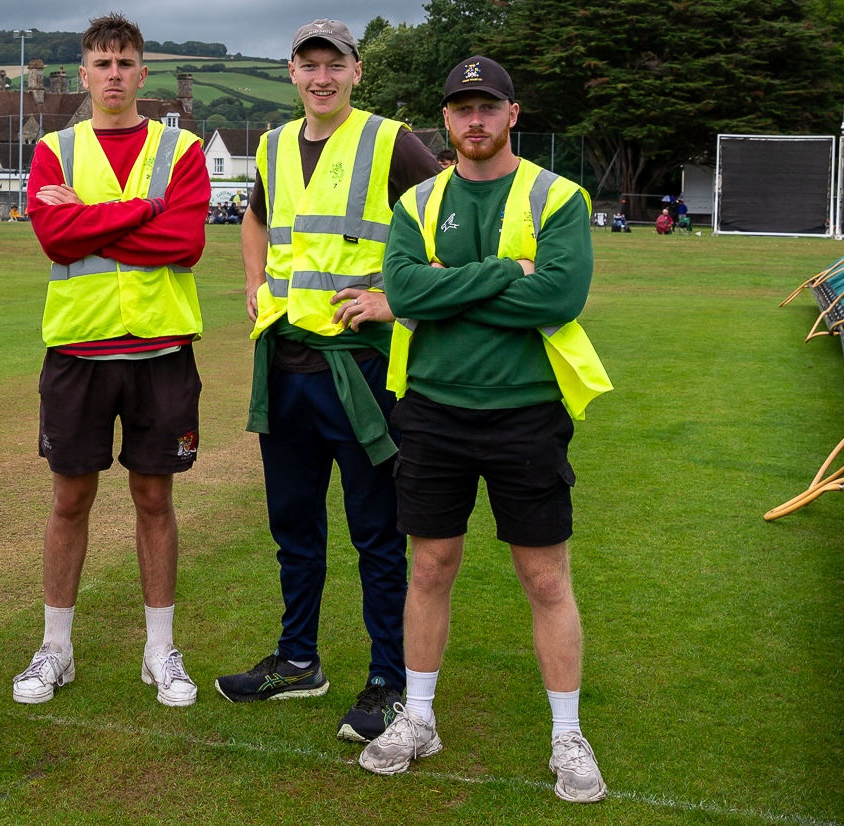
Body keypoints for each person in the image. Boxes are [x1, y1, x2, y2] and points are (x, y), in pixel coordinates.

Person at [333, 55, 613, 803]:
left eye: (488, 107)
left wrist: (435, 292)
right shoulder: (420, 201)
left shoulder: (558, 197)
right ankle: (418, 718)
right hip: (431, 409)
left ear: (512, 115)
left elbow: (558, 299)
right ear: (446, 120)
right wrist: (503, 273)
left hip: (526, 412)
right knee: (430, 567)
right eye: (461, 109)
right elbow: (403, 287)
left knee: (545, 575)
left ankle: (567, 735)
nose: (474, 120)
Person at [224, 18, 442, 744]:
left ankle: (389, 679)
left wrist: (398, 296)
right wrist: (254, 280)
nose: (321, 78)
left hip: (362, 371)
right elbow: (255, 218)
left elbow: (456, 214)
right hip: (284, 368)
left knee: (377, 532)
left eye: (334, 65)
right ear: (291, 71)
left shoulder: (390, 140)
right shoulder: (274, 144)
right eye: (308, 65)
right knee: (294, 528)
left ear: (356, 71)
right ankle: (298, 660)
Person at [14, 13, 211, 709]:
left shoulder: (180, 148)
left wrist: (96, 218)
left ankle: (161, 651)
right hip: (79, 349)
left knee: (155, 498)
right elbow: (55, 242)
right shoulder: (55, 149)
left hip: (161, 349)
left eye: (126, 62)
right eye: (102, 63)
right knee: (70, 500)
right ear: (85, 71)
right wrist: (143, 212)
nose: (115, 75)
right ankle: (55, 649)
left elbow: (184, 243)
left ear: (143, 71)